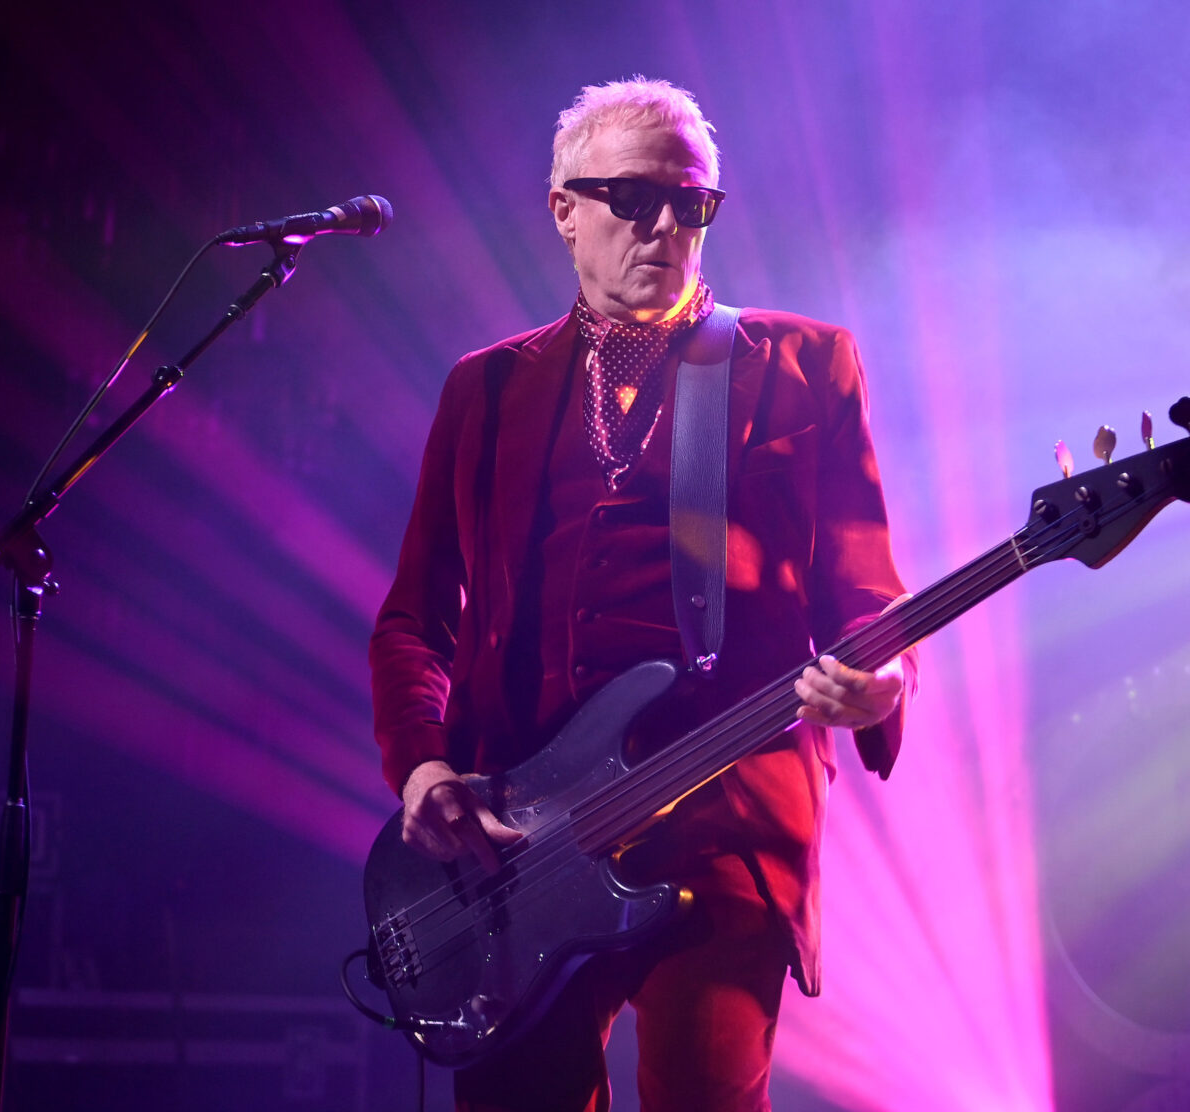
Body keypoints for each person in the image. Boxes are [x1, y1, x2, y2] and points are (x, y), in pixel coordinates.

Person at [370, 77, 916, 1112]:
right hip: (516, 841)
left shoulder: (801, 366)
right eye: (632, 198)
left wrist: (881, 678)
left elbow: (863, 587)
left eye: (692, 203)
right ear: (564, 211)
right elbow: (414, 616)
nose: (666, 224)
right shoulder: (483, 390)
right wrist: (423, 761)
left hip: (726, 827)